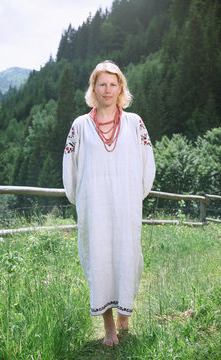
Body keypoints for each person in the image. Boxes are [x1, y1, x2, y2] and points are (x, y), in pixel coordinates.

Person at [63, 60, 155, 346]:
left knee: (128, 257)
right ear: (94, 87)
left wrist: (133, 195)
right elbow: (71, 169)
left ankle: (124, 312)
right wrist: (82, 200)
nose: (107, 90)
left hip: (126, 204)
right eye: (101, 84)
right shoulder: (81, 126)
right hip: (95, 207)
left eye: (113, 84)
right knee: (101, 259)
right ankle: (109, 327)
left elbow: (146, 163)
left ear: (121, 88)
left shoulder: (134, 123)